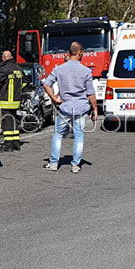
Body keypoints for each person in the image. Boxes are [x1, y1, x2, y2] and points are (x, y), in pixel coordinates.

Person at [43, 42, 98, 173]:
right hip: (81, 108)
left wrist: (55, 98)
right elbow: (90, 93)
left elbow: (46, 84)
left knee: (58, 134)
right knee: (79, 136)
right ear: (80, 53)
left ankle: (54, 163)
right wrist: (95, 109)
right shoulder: (86, 71)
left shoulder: (59, 69)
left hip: (65, 107)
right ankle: (75, 165)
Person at [0, 50, 25, 152]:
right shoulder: (19, 69)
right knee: (14, 120)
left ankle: (8, 144)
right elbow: (26, 82)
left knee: (7, 121)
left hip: (6, 100)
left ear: (4, 58)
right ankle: (16, 142)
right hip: (16, 100)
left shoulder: (4, 69)